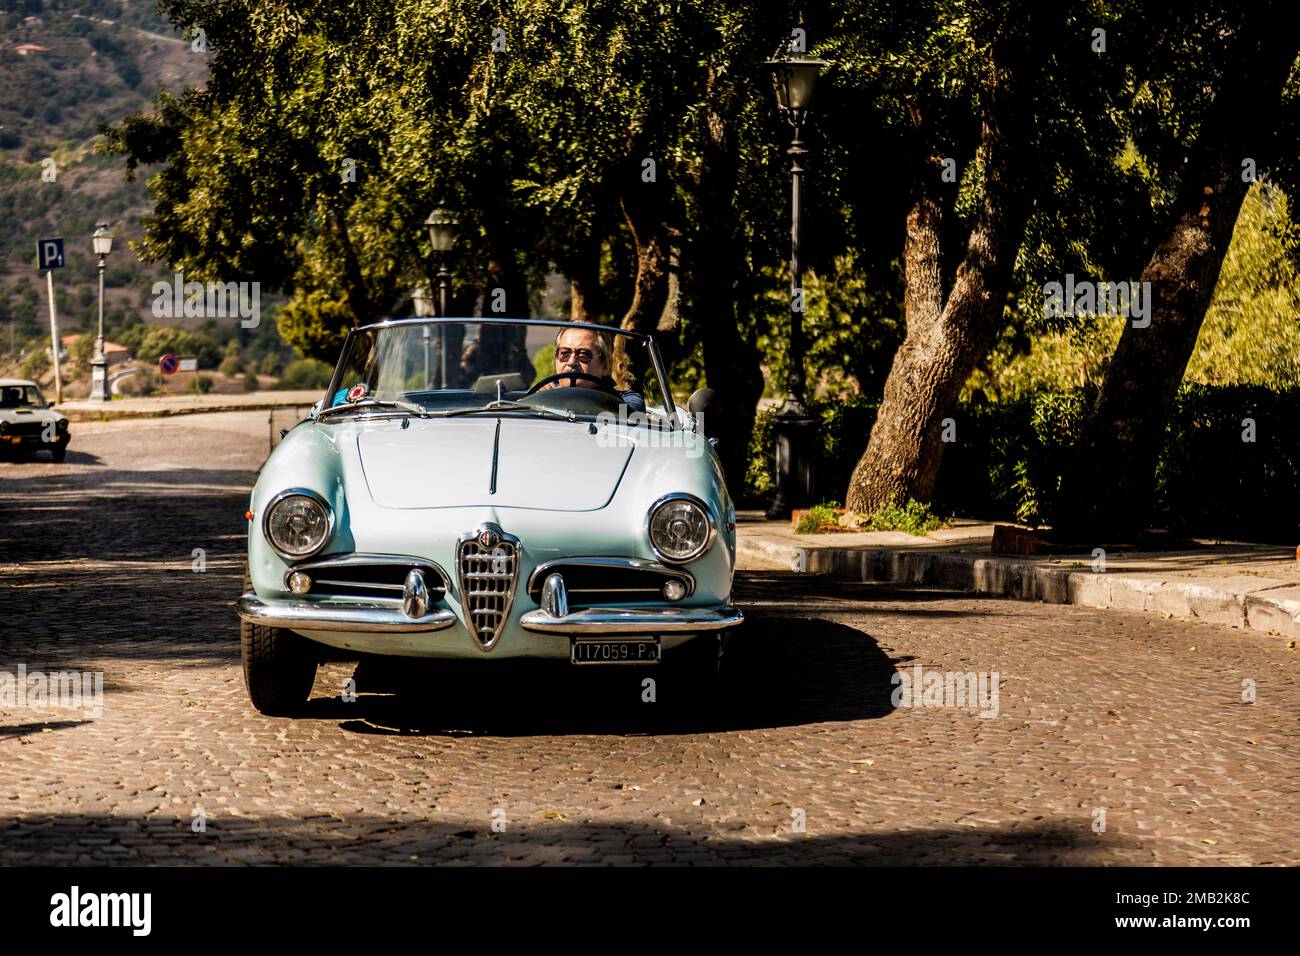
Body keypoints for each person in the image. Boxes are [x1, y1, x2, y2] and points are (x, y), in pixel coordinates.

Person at [541, 326, 645, 412]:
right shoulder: (543, 395)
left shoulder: (628, 401)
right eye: (565, 354)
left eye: (583, 355)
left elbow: (628, 419)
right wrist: (540, 400)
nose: (571, 362)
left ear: (605, 365)